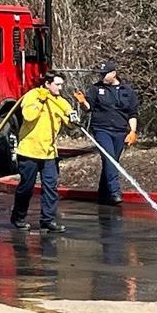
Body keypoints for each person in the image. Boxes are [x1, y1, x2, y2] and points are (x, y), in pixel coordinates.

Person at [10, 71, 78, 233]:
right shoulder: (32, 96)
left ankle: (48, 220)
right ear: (47, 84)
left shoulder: (60, 102)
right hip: (29, 151)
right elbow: (29, 116)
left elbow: (70, 124)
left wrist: (73, 119)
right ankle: (18, 217)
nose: (60, 88)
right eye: (57, 84)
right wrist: (41, 100)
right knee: (26, 187)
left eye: (61, 85)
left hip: (49, 153)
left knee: (50, 187)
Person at [73, 60, 140, 206]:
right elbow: (88, 108)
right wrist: (82, 102)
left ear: (113, 74)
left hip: (120, 131)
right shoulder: (96, 89)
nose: (102, 77)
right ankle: (115, 192)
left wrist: (133, 131)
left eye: (104, 74)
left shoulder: (127, 91)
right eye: (101, 74)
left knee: (112, 161)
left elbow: (132, 113)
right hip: (101, 130)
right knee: (109, 159)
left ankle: (103, 194)